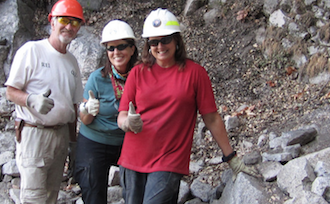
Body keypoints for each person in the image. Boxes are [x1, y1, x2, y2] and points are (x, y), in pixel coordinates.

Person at [117, 8, 259, 203]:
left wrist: (231, 158)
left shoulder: (195, 73)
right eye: (154, 42)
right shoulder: (137, 73)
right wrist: (127, 123)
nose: (160, 46)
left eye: (165, 40)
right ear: (148, 45)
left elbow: (211, 117)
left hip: (169, 159)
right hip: (132, 158)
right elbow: (122, 114)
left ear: (176, 40)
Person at [5, 0, 84, 203]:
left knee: (51, 196)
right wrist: (30, 99)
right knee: (34, 198)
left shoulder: (72, 61)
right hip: (34, 134)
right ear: (52, 22)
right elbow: (11, 91)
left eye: (75, 23)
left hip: (60, 136)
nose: (69, 27)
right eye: (65, 20)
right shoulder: (32, 51)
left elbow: (73, 105)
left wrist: (73, 143)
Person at [74, 19, 138, 204]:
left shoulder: (142, 75)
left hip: (128, 141)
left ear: (132, 49)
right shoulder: (97, 78)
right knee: (93, 193)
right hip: (94, 140)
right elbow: (84, 120)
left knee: (136, 193)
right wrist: (87, 109)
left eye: (121, 46)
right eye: (111, 48)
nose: (116, 52)